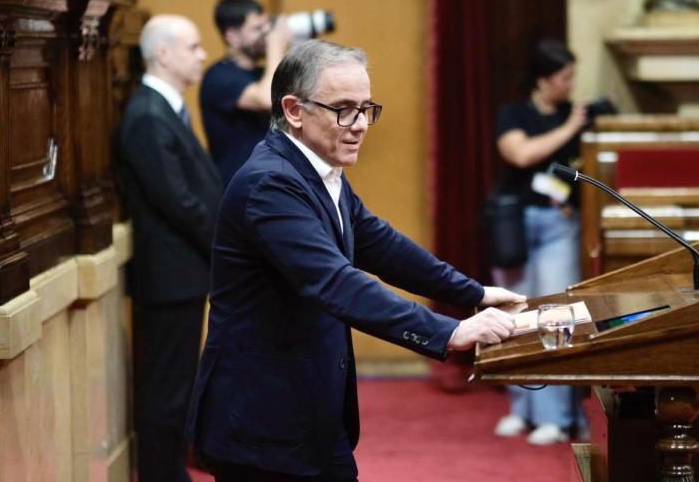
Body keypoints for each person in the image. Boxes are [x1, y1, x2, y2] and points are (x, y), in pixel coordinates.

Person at [185, 39, 524, 481]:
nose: (360, 124)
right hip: (262, 425)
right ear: (293, 109)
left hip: (309, 417)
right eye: (343, 109)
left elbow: (380, 244)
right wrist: (451, 331)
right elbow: (334, 283)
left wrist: (474, 293)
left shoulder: (316, 169)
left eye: (366, 108)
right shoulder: (269, 183)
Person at [116, 15, 223, 482]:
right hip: (168, 277)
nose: (203, 55)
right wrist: (228, 245)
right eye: (194, 46)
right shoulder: (146, 115)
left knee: (177, 385)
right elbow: (177, 201)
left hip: (183, 273)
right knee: (165, 391)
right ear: (162, 54)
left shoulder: (166, 110)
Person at [491, 39, 589, 446]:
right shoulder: (514, 113)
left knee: (554, 316)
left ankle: (555, 417)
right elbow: (520, 155)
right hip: (514, 223)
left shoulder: (577, 115)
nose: (570, 85)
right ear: (543, 79)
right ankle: (522, 410)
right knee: (512, 315)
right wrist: (570, 129)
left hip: (558, 225)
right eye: (564, 77)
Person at [200, 0, 293, 183]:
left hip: (273, 181)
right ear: (232, 36)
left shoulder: (263, 73)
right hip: (240, 189)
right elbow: (266, 99)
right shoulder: (218, 76)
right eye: (257, 29)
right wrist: (275, 46)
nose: (266, 34)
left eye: (266, 25)